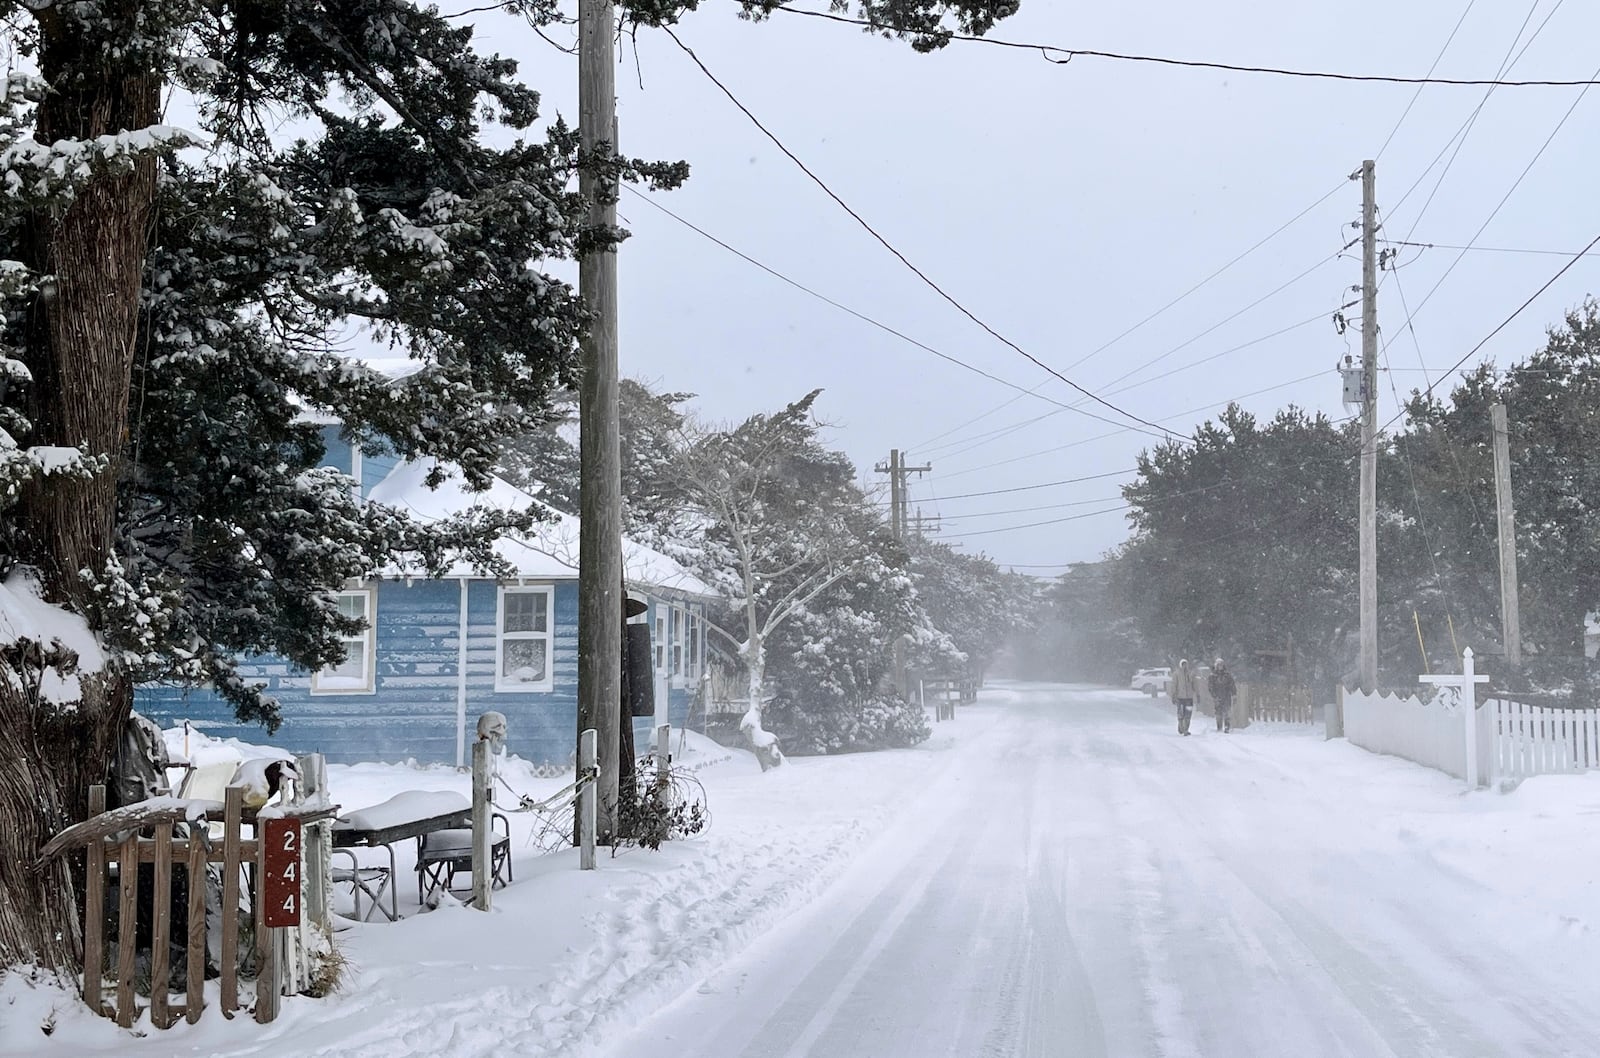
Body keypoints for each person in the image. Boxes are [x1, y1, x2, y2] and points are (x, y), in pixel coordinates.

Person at [1208, 658, 1238, 733]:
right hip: (1217, 696)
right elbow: (1210, 687)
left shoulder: (1227, 675)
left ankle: (1227, 726)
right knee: (1218, 712)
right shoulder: (1213, 676)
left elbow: (1232, 685)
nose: (1220, 666)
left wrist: (1234, 694)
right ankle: (1219, 726)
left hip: (1227, 695)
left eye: (1221, 665)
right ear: (1216, 666)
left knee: (1227, 711)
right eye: (1219, 665)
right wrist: (1214, 695)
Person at [1169, 658, 1198, 736]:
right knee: (1181, 714)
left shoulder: (1191, 674)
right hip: (1180, 698)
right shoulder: (1176, 674)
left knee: (1188, 715)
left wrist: (1197, 693)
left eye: (1186, 664)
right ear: (1180, 665)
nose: (1185, 666)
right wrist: (1173, 695)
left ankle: (1186, 729)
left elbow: (1195, 684)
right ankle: (1181, 727)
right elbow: (1174, 685)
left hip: (1189, 698)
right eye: (1183, 664)